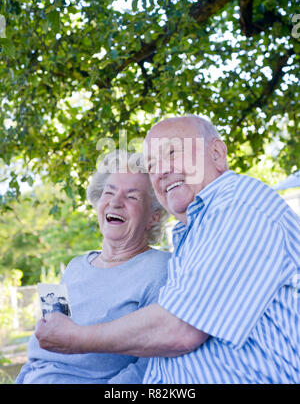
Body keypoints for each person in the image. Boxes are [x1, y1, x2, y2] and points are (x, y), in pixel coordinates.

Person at [35, 116, 300, 384]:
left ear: (217, 154)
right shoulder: (195, 234)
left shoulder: (239, 203)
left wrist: (75, 338)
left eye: (172, 152)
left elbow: (178, 329)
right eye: (152, 165)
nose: (161, 171)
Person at [15, 150, 171, 384]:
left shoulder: (162, 269)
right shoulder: (75, 266)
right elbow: (46, 345)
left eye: (132, 197)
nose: (115, 202)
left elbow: (150, 366)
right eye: (109, 192)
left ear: (154, 217)